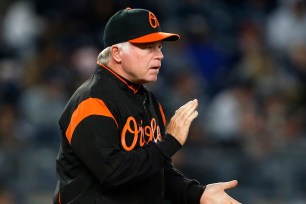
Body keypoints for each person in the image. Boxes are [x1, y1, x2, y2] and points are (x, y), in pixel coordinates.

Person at [53, 7, 241, 204]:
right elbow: (113, 173)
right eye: (147, 47)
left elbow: (156, 174)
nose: (159, 55)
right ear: (117, 53)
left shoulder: (148, 100)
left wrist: (199, 194)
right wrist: (170, 142)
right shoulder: (92, 101)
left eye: (159, 47)